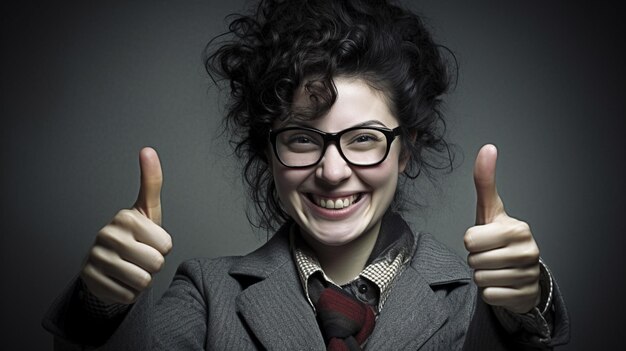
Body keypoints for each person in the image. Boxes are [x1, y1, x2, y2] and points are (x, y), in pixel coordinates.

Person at [43, 0, 570, 349]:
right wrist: (102, 304)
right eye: (302, 139)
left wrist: (524, 307)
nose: (333, 170)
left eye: (364, 139)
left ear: (405, 150)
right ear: (268, 153)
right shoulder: (208, 294)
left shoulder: (472, 302)